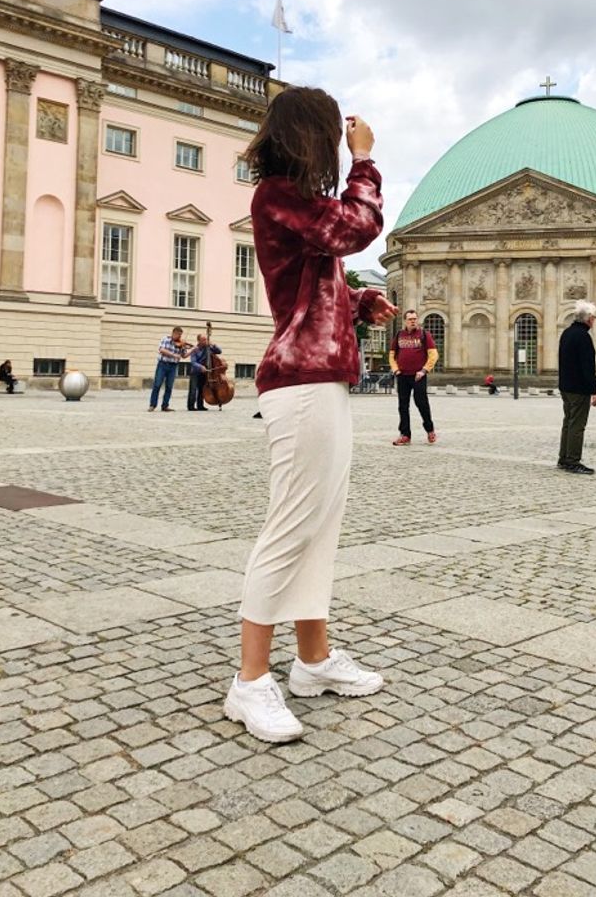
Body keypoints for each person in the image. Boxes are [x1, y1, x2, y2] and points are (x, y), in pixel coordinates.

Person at [223, 87, 396, 744]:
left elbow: (309, 284)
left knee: (319, 528)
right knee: (289, 527)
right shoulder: (277, 196)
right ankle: (249, 681)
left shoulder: (298, 203)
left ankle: (313, 661)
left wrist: (355, 304)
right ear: (311, 137)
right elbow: (355, 227)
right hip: (297, 384)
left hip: (321, 379)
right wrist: (366, 162)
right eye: (330, 135)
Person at [557, 300, 596, 475]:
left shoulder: (567, 333)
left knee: (568, 422)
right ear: (589, 319)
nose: (595, 320)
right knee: (577, 425)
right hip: (578, 388)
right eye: (594, 317)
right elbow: (587, 367)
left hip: (566, 387)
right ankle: (573, 461)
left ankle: (563, 458)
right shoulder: (583, 337)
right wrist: (594, 391)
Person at [389, 310, 438, 445]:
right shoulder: (399, 335)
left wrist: (424, 370)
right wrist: (395, 370)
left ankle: (430, 430)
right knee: (402, 406)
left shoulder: (424, 334)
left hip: (418, 376)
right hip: (402, 376)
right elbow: (392, 355)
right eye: (410, 319)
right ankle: (405, 434)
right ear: (405, 320)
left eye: (415, 319)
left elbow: (433, 355)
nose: (413, 321)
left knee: (422, 404)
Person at [148, 327, 189, 412]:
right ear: (173, 333)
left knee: (169, 386)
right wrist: (174, 355)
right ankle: (152, 405)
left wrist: (193, 350)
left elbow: (184, 356)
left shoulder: (181, 343)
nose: (179, 337)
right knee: (157, 385)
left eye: (180, 335)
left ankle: (165, 406)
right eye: (178, 335)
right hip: (163, 364)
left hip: (173, 366)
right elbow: (162, 350)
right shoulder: (165, 339)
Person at [187, 333, 221, 411]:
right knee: (193, 389)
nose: (205, 341)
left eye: (206, 339)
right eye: (203, 340)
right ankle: (191, 406)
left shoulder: (209, 348)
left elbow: (219, 351)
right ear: (198, 341)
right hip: (195, 371)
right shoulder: (195, 349)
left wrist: (213, 344)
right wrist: (201, 366)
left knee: (202, 389)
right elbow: (193, 362)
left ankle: (200, 405)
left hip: (205, 372)